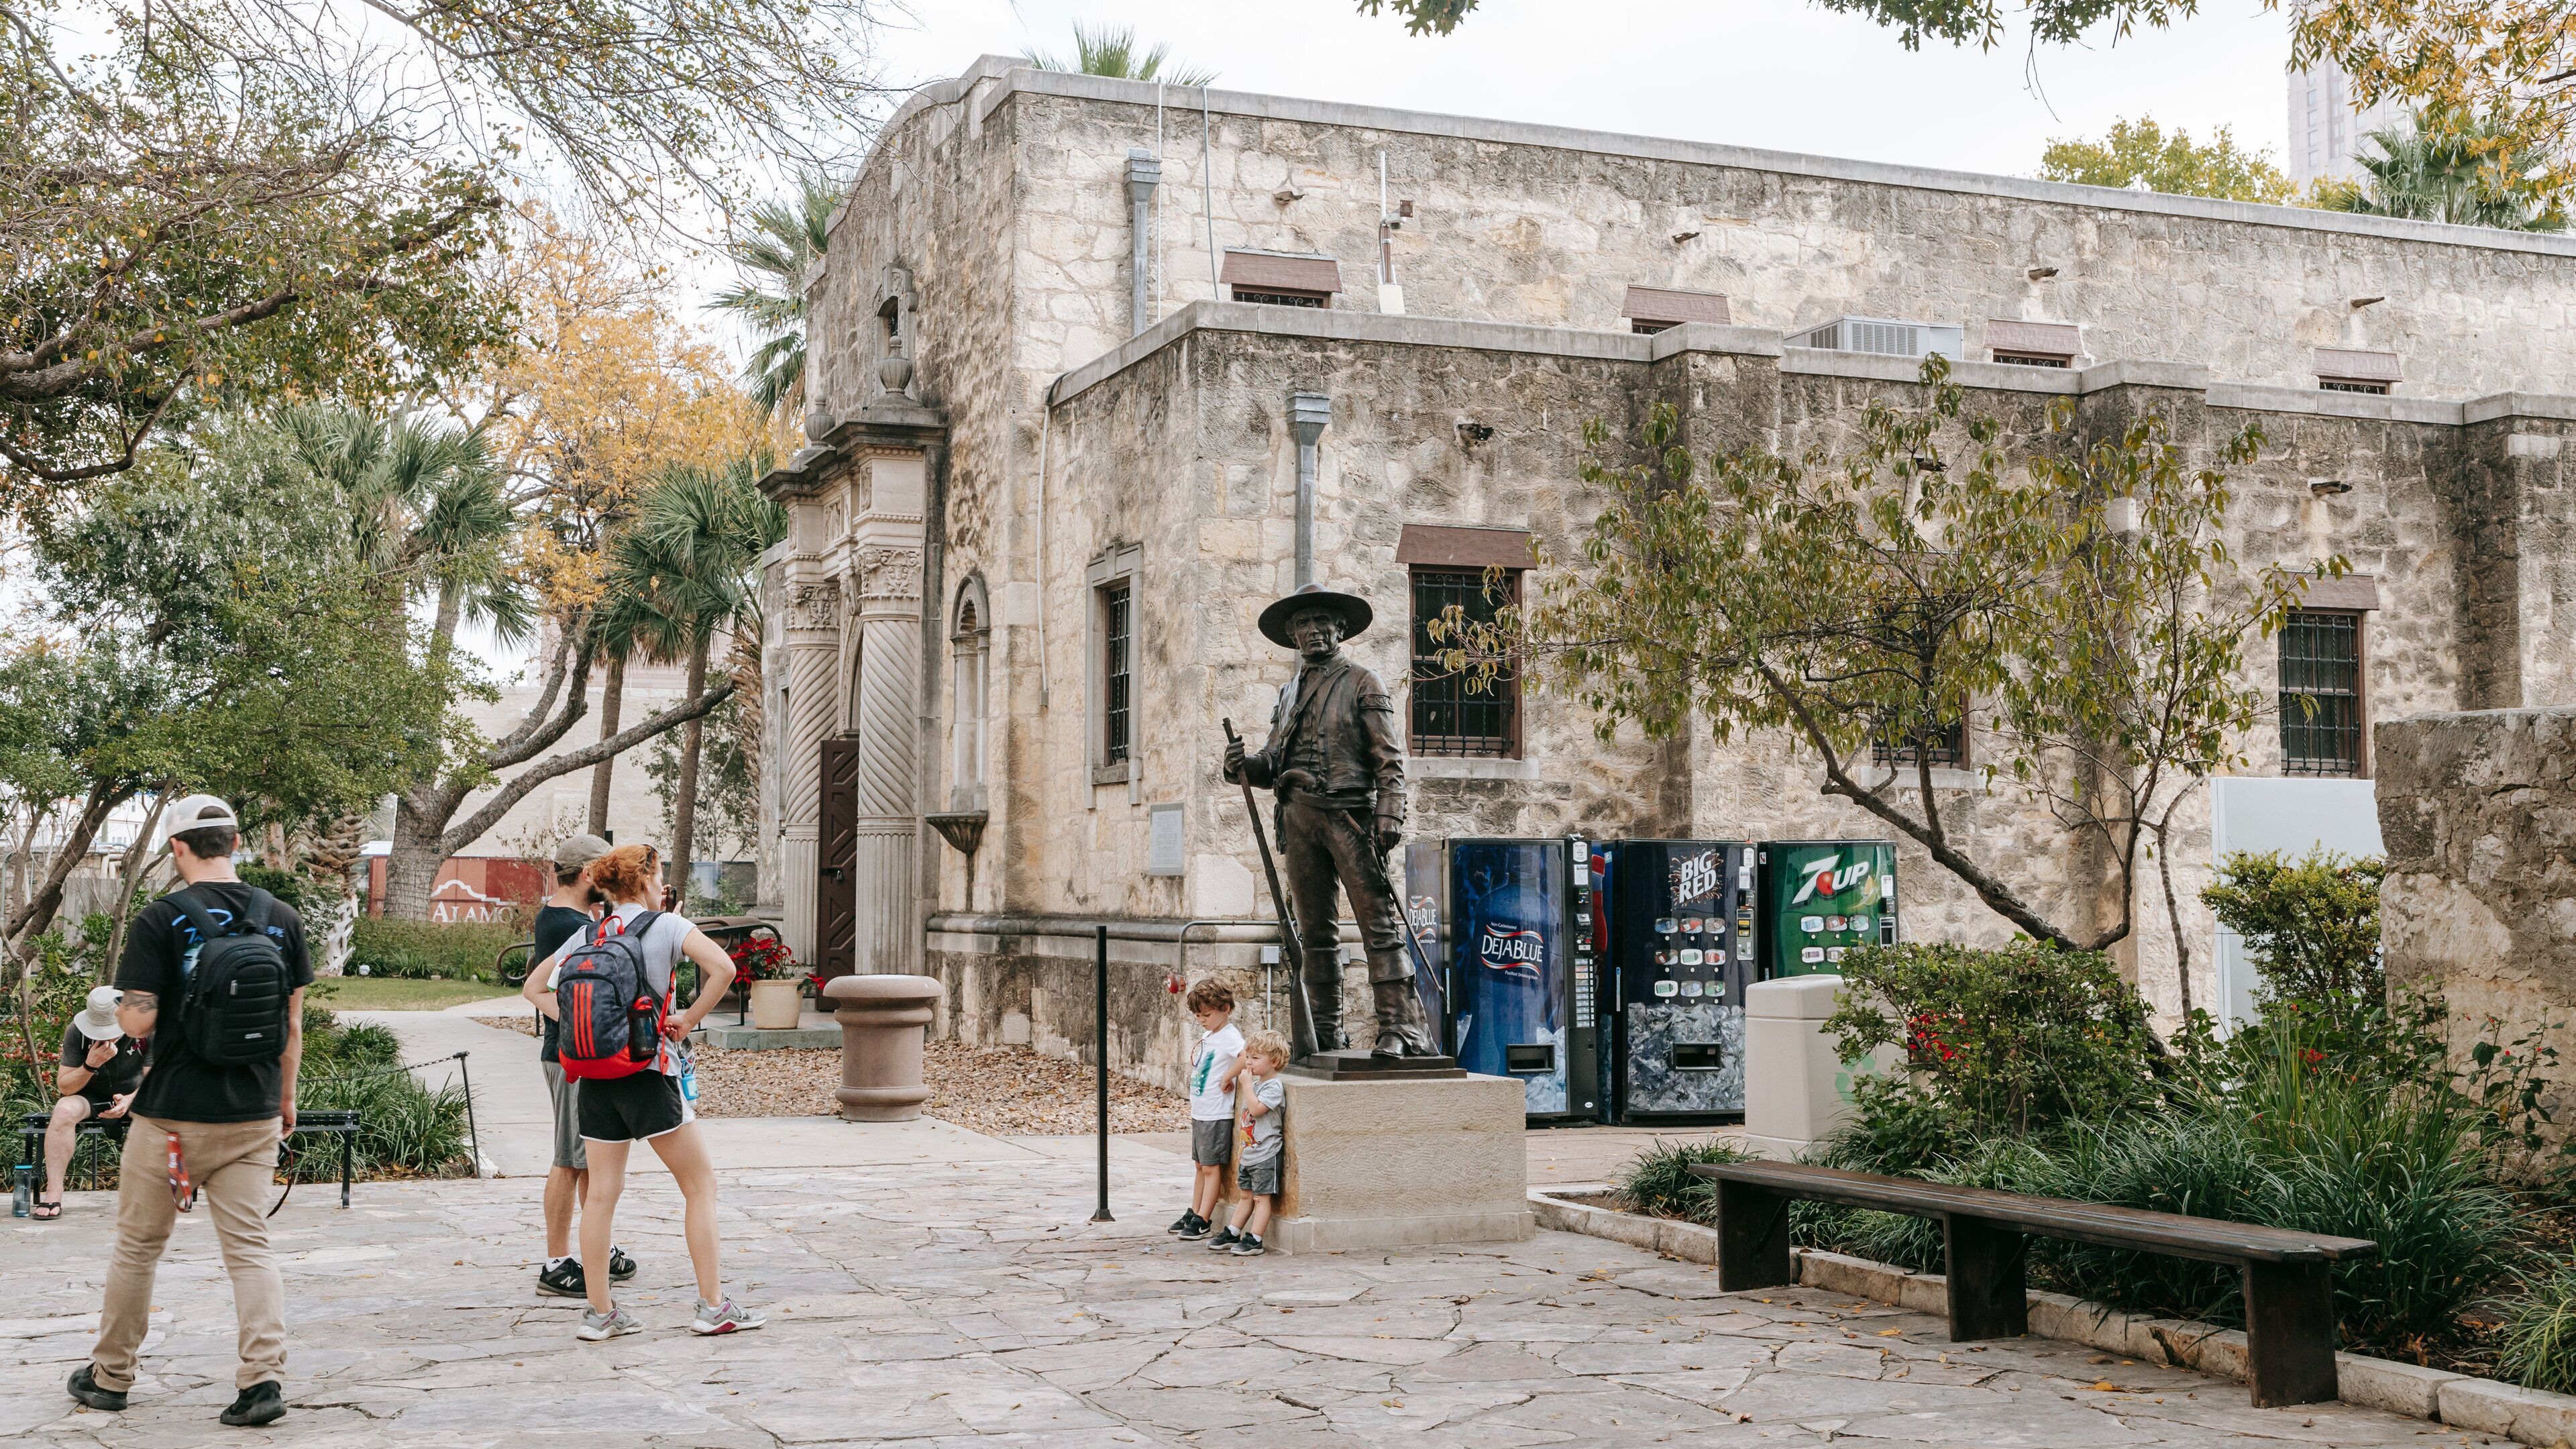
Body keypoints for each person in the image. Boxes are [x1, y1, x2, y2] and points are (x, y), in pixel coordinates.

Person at [69, 794, 311, 1428]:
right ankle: (262, 1381)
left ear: (179, 848)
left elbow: (138, 1018)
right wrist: (285, 1102)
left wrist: (128, 1009)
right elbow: (292, 1025)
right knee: (251, 1251)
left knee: (138, 1249)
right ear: (233, 842)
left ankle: (111, 1377)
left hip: (172, 1117)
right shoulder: (282, 917)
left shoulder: (162, 918)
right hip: (254, 1112)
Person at [529, 843, 761, 1340]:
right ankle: (713, 1307)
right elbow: (724, 969)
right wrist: (687, 1020)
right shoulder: (669, 928)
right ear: (648, 880)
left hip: (594, 1079)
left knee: (602, 1198)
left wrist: (575, 1024)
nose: (664, 888)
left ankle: (600, 1313)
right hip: (649, 1075)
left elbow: (534, 988)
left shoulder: (587, 933)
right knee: (700, 1188)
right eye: (660, 879)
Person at [1222, 583, 1440, 1059]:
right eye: (1304, 623)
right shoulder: (1287, 693)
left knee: (1377, 924)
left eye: (1324, 621)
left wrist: (1389, 811)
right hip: (1297, 819)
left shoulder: (1364, 682)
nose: (1314, 630)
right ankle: (1323, 1033)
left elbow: (1390, 759)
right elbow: (1273, 763)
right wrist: (1240, 764)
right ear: (1293, 634)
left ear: (1340, 628)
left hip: (1349, 817)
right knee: (1313, 932)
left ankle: (1402, 1030)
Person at [519, 833, 638, 1299]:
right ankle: (555, 1262)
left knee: (588, 1160)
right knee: (569, 1159)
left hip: (574, 1053)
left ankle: (599, 1244)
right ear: (589, 874)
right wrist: (579, 1022)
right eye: (605, 872)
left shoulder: (569, 917)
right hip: (569, 1057)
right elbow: (539, 989)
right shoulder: (565, 924)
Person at [36, 985, 148, 1220]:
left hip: (137, 1094)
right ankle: (54, 1191)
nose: (105, 1036)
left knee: (161, 1112)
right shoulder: (77, 1032)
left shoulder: (146, 1030)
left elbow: (156, 1080)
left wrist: (128, 1100)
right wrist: (90, 1065)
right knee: (64, 1110)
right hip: (90, 1095)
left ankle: (158, 1192)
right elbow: (65, 1087)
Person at [1169, 979, 1243, 1242]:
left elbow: (1245, 1056)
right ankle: (1195, 1211)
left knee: (1211, 1168)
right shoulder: (1210, 1034)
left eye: (1207, 1015)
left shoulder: (1230, 1036)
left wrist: (1228, 1077)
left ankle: (1204, 1220)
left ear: (1225, 1008)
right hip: (1202, 1111)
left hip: (1216, 1114)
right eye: (1198, 1015)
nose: (1201, 1020)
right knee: (1200, 1166)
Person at [1205, 1029, 1289, 1257]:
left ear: (1274, 1061)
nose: (1248, 1063)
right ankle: (1233, 1231)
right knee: (1245, 1195)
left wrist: (1247, 1085)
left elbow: (1256, 1109)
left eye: (1255, 1058)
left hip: (1266, 1154)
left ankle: (1256, 1239)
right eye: (1248, 1057)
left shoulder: (1273, 1087)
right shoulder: (1258, 1084)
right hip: (1250, 1153)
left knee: (1261, 1198)